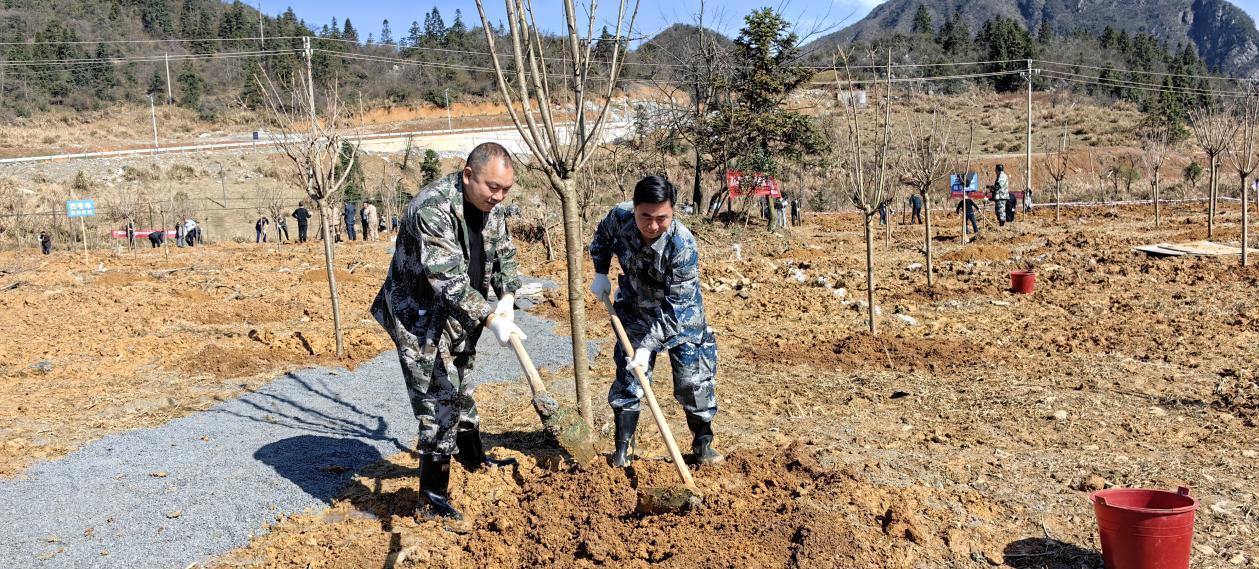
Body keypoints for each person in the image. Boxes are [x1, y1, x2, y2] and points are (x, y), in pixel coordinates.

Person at [371, 142, 525, 522]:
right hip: (420, 317)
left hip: (458, 315)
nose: (499, 196)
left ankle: (473, 459)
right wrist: (491, 321)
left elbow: (503, 251)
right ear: (468, 175)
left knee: (463, 384)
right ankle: (433, 497)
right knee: (438, 400)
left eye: (506, 189)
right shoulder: (432, 208)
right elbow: (448, 279)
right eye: (492, 187)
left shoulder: (491, 206)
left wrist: (507, 295)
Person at [589, 175, 722, 470]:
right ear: (634, 208)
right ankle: (624, 448)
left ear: (673, 212)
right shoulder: (619, 218)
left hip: (680, 316)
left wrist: (648, 347)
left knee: (693, 381)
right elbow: (601, 239)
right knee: (629, 379)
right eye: (645, 216)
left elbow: (677, 307)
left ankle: (703, 443)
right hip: (635, 309)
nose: (652, 226)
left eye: (661, 218)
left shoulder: (683, 245)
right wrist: (601, 272)